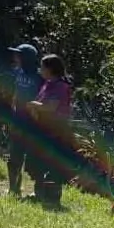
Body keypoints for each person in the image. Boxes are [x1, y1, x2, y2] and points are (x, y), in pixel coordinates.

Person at [28, 53, 74, 207]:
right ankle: (38, 193)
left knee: (52, 164)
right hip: (43, 129)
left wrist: (33, 105)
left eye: (42, 66)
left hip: (56, 131)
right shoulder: (47, 84)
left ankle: (52, 199)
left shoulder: (61, 86)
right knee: (39, 162)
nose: (40, 69)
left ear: (50, 69)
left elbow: (50, 107)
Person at [6, 43, 43, 197]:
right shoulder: (19, 72)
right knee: (14, 156)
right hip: (18, 119)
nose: (15, 57)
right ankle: (14, 188)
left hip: (34, 123)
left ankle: (39, 191)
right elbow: (16, 92)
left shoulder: (41, 76)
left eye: (18, 55)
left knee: (35, 159)